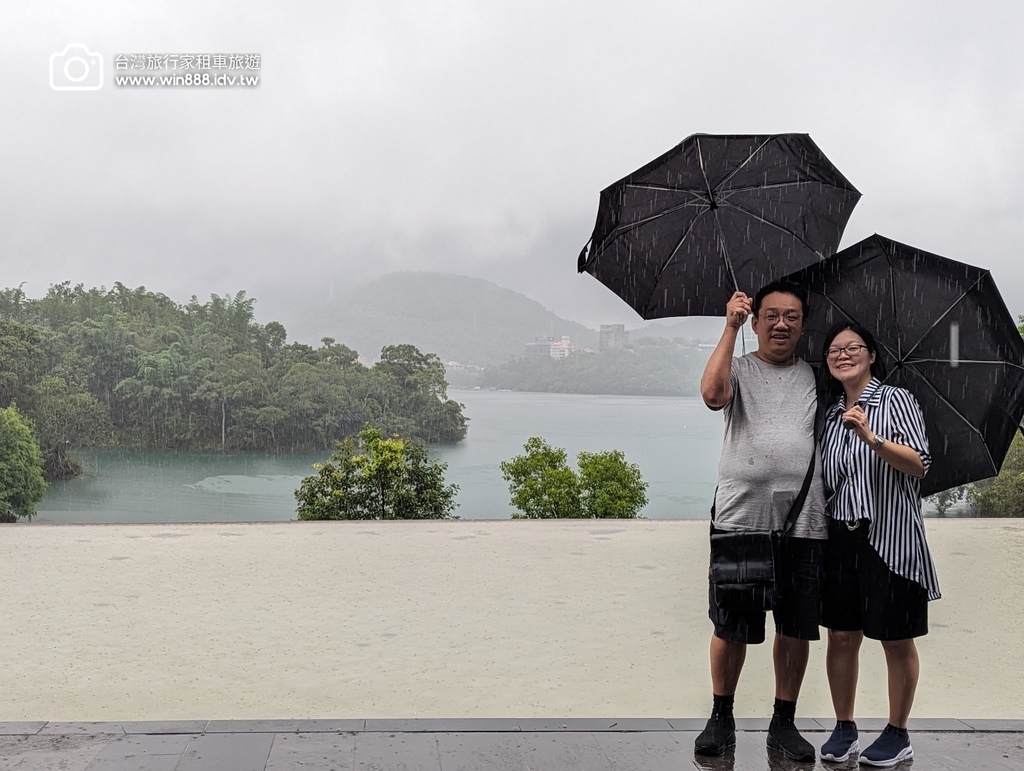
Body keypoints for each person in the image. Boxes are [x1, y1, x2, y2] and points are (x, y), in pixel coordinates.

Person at [696, 281, 827, 762]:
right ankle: (720, 717)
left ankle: (784, 723)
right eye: (771, 315)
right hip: (740, 519)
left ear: (803, 325)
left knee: (795, 627)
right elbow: (711, 395)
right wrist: (728, 327)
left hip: (804, 522)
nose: (781, 324)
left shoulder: (817, 375)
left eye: (791, 316)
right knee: (731, 625)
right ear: (755, 322)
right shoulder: (739, 369)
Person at [816, 322, 940, 767]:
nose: (843, 354)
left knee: (895, 636)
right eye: (834, 350)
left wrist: (872, 438)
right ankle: (844, 727)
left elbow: (919, 463)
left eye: (853, 348)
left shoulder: (895, 399)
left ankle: (898, 732)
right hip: (841, 538)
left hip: (889, 536)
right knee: (841, 635)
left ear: (871, 355)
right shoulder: (830, 414)